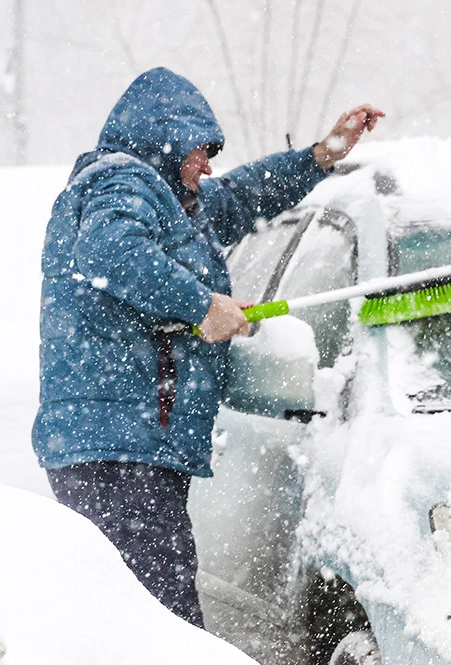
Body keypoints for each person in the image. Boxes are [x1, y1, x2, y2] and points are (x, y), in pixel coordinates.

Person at [33, 67, 381, 628]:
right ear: (162, 141)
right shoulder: (121, 182)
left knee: (135, 620)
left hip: (129, 442)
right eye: (199, 150)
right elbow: (108, 250)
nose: (207, 165)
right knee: (158, 627)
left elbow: (243, 195)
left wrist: (319, 155)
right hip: (118, 446)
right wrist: (203, 306)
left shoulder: (173, 202)